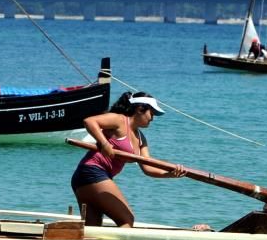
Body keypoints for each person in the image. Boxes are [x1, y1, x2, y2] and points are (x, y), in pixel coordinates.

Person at [70, 91, 185, 227]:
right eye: (151, 113)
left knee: (93, 228)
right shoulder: (119, 120)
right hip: (91, 171)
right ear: (139, 109)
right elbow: (89, 121)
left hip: (90, 177)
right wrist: (104, 143)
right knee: (127, 219)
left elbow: (148, 167)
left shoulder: (141, 138)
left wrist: (170, 174)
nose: (152, 118)